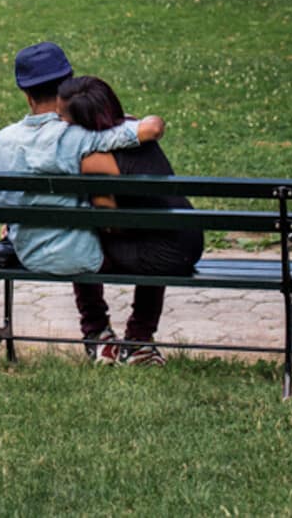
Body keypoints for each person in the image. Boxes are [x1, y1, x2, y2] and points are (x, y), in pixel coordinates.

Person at [0, 42, 165, 364]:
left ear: (25, 94)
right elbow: (146, 131)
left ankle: (97, 334)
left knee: (78, 231)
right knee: (149, 237)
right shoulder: (79, 135)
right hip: (82, 254)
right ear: (69, 85)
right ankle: (138, 339)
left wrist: (8, 226)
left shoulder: (3, 141)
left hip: (30, 253)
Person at [59, 75, 203, 367]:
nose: (60, 124)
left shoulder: (95, 161)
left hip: (162, 251)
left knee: (80, 243)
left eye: (63, 118)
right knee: (149, 230)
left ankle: (98, 334)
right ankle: (138, 340)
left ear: (82, 124)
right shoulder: (130, 128)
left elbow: (110, 222)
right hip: (187, 238)